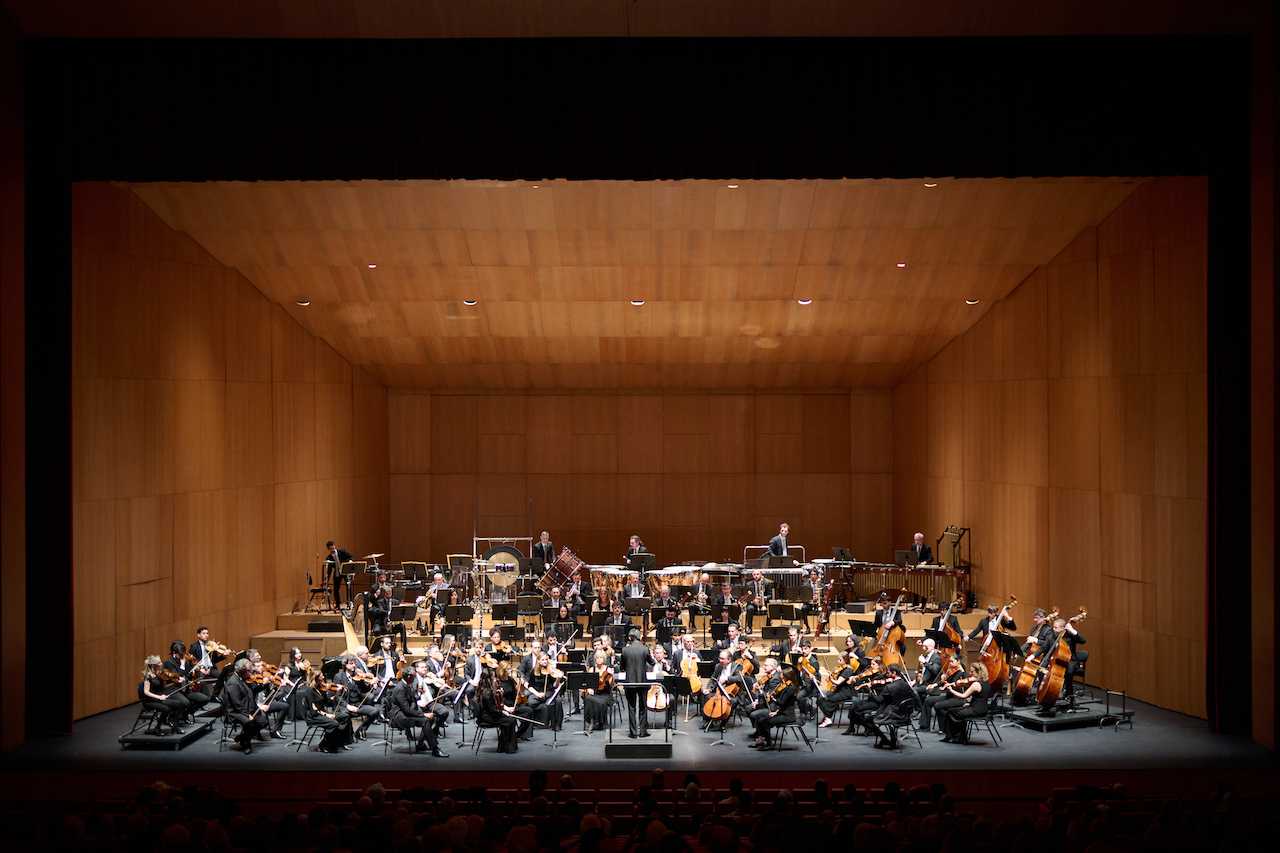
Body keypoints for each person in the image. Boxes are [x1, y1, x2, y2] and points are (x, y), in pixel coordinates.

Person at [388, 661, 447, 756]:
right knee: (425, 720)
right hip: (401, 718)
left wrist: (419, 693)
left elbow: (412, 699)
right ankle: (434, 748)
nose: (415, 678)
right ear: (408, 677)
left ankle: (423, 744)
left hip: (406, 713)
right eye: (414, 677)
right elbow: (406, 709)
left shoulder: (405, 685)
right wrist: (423, 714)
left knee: (429, 719)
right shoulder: (400, 689)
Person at [301, 669, 354, 753]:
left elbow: (328, 703)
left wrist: (335, 692)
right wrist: (327, 715)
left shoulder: (321, 689)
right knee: (334, 723)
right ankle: (324, 744)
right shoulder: (310, 691)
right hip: (314, 716)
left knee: (345, 716)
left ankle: (340, 742)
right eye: (321, 676)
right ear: (316, 678)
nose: (324, 677)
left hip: (322, 714)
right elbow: (313, 709)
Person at [223, 658, 269, 753]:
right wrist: (247, 714)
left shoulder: (244, 679)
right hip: (236, 712)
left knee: (263, 722)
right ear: (241, 670)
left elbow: (251, 692)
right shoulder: (232, 683)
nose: (250, 673)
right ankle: (246, 744)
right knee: (247, 722)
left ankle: (241, 737)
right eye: (248, 670)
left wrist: (262, 686)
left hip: (247, 709)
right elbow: (237, 703)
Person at [748, 662, 799, 749]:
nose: (782, 677)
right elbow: (784, 705)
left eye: (783, 675)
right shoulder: (787, 687)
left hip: (788, 716)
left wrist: (772, 698)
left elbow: (782, 703)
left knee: (763, 722)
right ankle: (763, 741)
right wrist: (776, 712)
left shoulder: (790, 689)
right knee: (761, 719)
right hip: (782, 713)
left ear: (788, 677)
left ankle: (769, 744)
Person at [866, 663, 916, 748]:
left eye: (888, 672)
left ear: (894, 673)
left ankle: (885, 740)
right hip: (905, 716)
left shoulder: (889, 687)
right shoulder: (906, 685)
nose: (887, 674)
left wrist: (870, 692)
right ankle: (892, 740)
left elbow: (879, 700)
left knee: (868, 720)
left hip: (893, 716)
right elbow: (913, 696)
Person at [940, 662, 991, 744]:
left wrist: (951, 690)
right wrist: (970, 704)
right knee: (953, 711)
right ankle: (956, 736)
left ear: (978, 672)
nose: (970, 673)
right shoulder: (986, 683)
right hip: (982, 709)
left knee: (951, 712)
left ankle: (955, 737)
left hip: (976, 710)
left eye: (972, 671)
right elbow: (980, 698)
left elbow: (964, 696)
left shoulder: (976, 684)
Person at [162, 641, 210, 722]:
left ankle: (185, 714)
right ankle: (173, 717)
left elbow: (189, 674)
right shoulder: (169, 663)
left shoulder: (186, 660)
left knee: (205, 699)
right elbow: (177, 677)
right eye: (180, 655)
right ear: (174, 653)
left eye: (183, 654)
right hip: (175, 690)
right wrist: (182, 666)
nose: (182, 656)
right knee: (185, 702)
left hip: (186, 689)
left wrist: (196, 669)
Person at [334, 654, 379, 740]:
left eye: (354, 663)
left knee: (375, 711)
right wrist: (348, 706)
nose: (354, 665)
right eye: (351, 663)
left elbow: (364, 690)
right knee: (345, 715)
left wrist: (371, 684)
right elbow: (337, 697)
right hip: (345, 705)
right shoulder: (338, 677)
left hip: (357, 704)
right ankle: (349, 736)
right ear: (345, 665)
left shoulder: (359, 676)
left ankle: (360, 731)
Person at [475, 670, 520, 753]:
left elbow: (494, 706)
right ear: (488, 679)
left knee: (507, 720)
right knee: (510, 721)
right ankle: (509, 748)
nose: (494, 678)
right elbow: (492, 710)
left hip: (487, 714)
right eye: (492, 677)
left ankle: (503, 746)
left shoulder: (483, 688)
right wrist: (503, 712)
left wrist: (499, 693)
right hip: (487, 717)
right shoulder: (487, 692)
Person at [140, 655, 186, 735]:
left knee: (178, 704)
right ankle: (157, 727)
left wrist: (174, 683)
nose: (161, 664)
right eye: (159, 662)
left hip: (159, 699)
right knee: (166, 709)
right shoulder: (148, 676)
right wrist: (159, 697)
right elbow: (146, 692)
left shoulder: (160, 675)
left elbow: (164, 687)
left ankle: (175, 725)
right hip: (150, 700)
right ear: (154, 665)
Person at [620, 630, 654, 737]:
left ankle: (633, 733)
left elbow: (622, 667)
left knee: (631, 707)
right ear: (639, 638)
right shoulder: (645, 649)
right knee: (643, 707)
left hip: (629, 682)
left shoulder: (625, 650)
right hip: (643, 682)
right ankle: (643, 731)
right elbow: (652, 662)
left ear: (629, 638)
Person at [494, 661, 536, 741]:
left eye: (510, 668)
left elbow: (516, 690)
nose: (510, 670)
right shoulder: (497, 682)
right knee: (510, 717)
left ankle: (520, 734)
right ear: (502, 670)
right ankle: (509, 735)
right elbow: (497, 700)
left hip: (513, 704)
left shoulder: (511, 680)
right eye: (508, 669)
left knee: (529, 711)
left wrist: (520, 684)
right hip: (504, 707)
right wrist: (507, 708)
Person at [816, 651, 858, 727]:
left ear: (845, 660)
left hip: (846, 692)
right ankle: (826, 717)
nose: (838, 661)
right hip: (840, 690)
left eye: (840, 660)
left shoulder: (848, 670)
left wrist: (830, 678)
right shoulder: (842, 669)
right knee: (821, 697)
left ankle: (828, 718)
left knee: (827, 699)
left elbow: (838, 682)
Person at [913, 638, 945, 730]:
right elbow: (921, 672)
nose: (923, 648)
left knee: (913, 691)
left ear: (931, 647)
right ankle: (924, 724)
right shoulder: (925, 656)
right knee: (915, 691)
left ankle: (919, 710)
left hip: (931, 685)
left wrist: (925, 662)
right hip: (923, 684)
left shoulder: (936, 658)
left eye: (925, 646)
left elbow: (935, 671)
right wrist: (915, 681)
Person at [582, 650, 615, 732]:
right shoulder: (592, 670)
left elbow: (612, 685)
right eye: (597, 658)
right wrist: (589, 688)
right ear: (595, 660)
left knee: (598, 701)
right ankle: (592, 721)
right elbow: (587, 684)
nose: (599, 659)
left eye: (601, 657)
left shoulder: (608, 670)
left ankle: (600, 722)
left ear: (604, 659)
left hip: (605, 695)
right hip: (595, 693)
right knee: (588, 698)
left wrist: (612, 675)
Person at [190, 627, 225, 698]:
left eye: (207, 633)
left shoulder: (211, 646)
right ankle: (207, 698)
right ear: (198, 635)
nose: (206, 635)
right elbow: (191, 661)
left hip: (210, 669)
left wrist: (222, 655)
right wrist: (200, 669)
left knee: (222, 676)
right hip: (200, 669)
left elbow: (215, 660)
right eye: (203, 633)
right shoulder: (194, 646)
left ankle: (215, 695)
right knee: (200, 681)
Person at [325, 541, 355, 608]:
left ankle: (349, 602)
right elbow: (329, 570)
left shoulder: (342, 552)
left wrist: (350, 561)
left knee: (348, 587)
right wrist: (326, 580)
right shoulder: (329, 558)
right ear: (328, 549)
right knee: (336, 589)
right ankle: (338, 604)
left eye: (333, 548)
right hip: (337, 573)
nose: (333, 550)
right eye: (331, 549)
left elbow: (352, 557)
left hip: (345, 571)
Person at [743, 569, 772, 635]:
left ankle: (767, 628)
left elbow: (771, 595)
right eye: (754, 574)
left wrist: (764, 598)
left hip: (763, 603)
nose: (756, 576)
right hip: (753, 603)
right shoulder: (748, 584)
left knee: (770, 609)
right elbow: (746, 597)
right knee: (750, 609)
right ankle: (750, 628)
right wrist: (753, 600)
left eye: (757, 574)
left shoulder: (766, 583)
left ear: (761, 575)